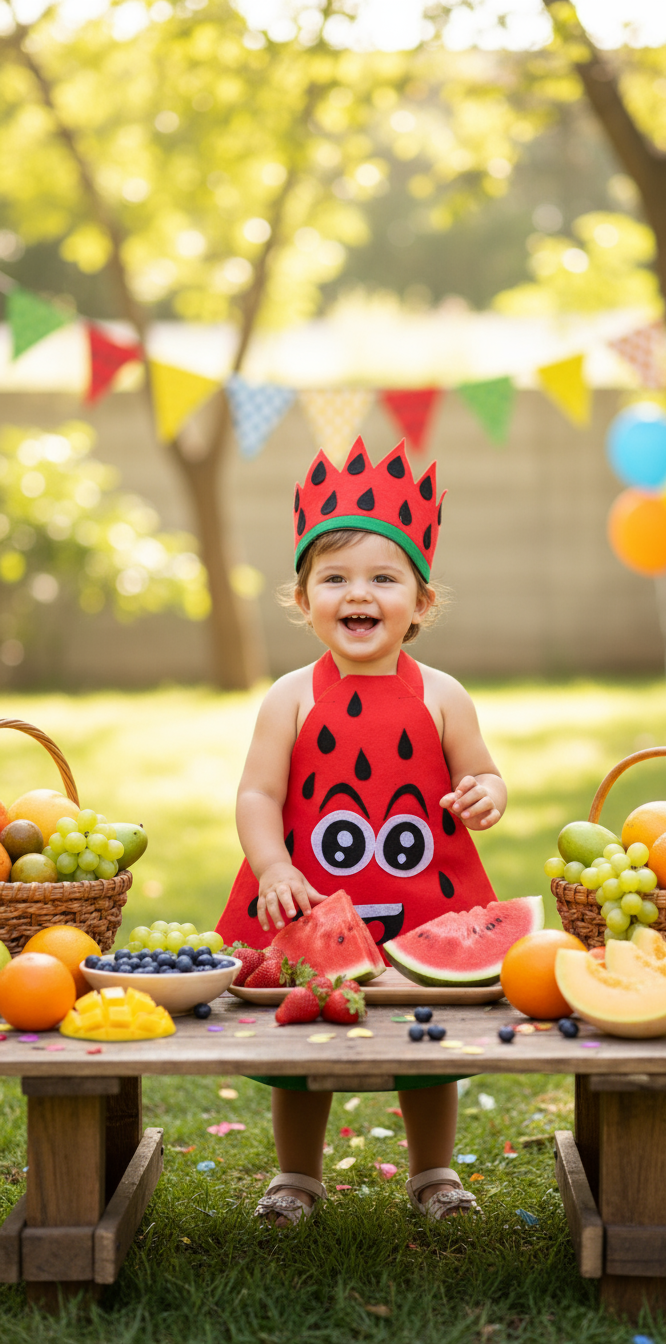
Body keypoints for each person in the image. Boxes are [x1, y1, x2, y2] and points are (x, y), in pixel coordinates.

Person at [217, 438, 507, 1227]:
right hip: (307, 907)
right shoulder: (288, 697)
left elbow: (483, 773)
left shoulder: (445, 696)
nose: (360, 593)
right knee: (298, 1057)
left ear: (420, 602)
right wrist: (273, 866)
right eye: (335, 578)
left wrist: (485, 795)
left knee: (427, 1047)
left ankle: (434, 1173)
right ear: (304, 598)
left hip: (423, 912)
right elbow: (256, 793)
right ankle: (297, 1177)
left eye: (385, 578)